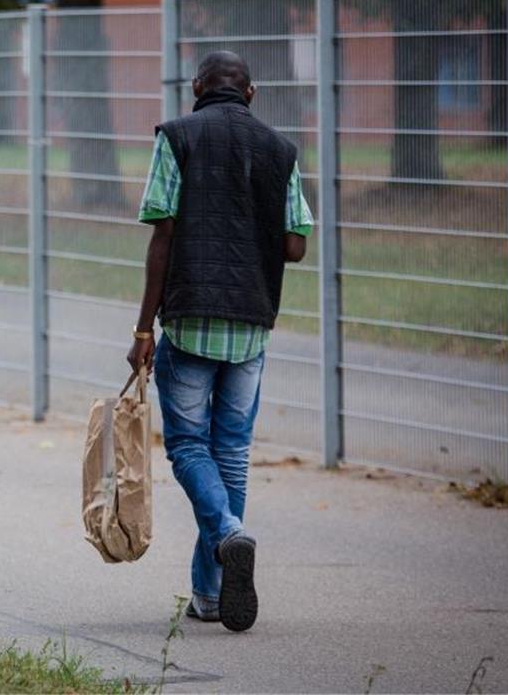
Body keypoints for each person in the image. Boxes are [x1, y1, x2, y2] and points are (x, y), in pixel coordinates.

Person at [126, 50, 313, 632]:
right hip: (252, 321)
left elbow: (163, 234)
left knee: (187, 448)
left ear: (196, 88)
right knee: (230, 452)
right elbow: (294, 246)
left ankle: (230, 535)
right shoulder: (280, 151)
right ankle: (210, 594)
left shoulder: (177, 137)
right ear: (251, 94)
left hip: (190, 319)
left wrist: (142, 328)